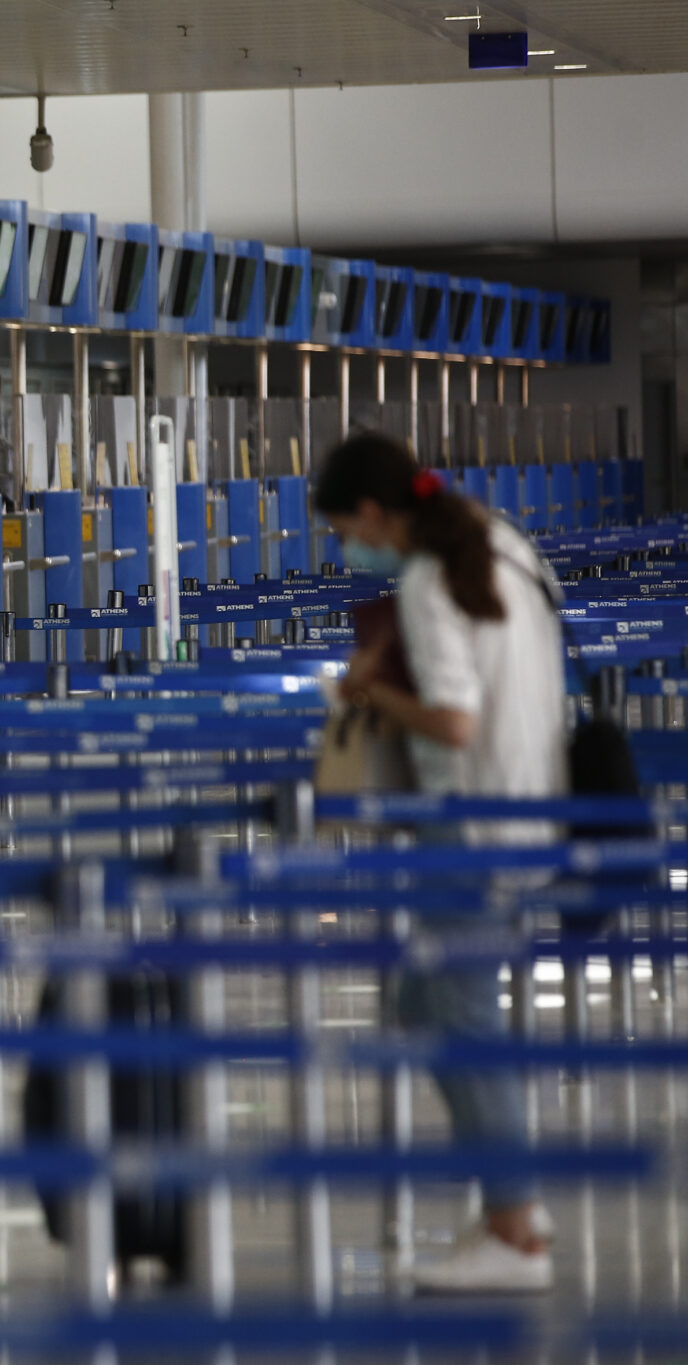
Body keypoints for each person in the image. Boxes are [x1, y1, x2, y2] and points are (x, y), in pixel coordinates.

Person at [315, 431, 567, 1295]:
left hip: (470, 824)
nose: (349, 547)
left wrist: (370, 691)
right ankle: (516, 1200)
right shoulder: (504, 543)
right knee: (428, 1001)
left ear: (373, 512)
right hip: (532, 806)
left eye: (345, 530)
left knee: (460, 1018)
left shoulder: (428, 579)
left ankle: (514, 1231)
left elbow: (455, 721)